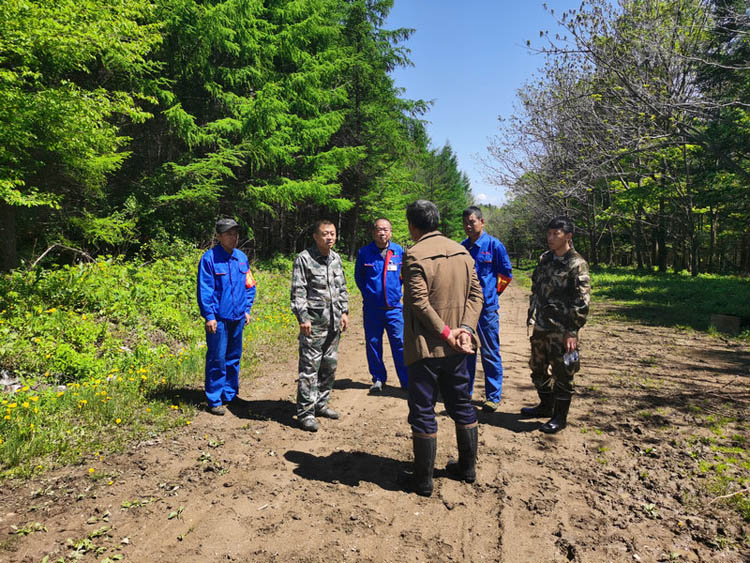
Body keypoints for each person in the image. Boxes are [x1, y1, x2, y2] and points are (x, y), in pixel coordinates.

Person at [400, 200, 484, 497]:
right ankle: (468, 469)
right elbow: (477, 296)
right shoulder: (462, 252)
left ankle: (423, 481)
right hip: (459, 347)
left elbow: (418, 303)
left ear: (412, 225)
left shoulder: (414, 255)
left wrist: (448, 333)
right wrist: (466, 331)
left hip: (426, 348)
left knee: (423, 410)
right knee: (461, 403)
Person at [522, 216, 590, 433]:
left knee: (563, 373)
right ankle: (545, 405)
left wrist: (572, 330)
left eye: (555, 234)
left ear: (568, 236)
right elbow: (537, 288)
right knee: (537, 368)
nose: (550, 238)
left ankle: (559, 418)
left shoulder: (576, 264)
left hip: (562, 330)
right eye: (549, 233)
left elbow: (581, 301)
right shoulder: (546, 259)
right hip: (542, 325)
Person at [290, 219, 349, 432]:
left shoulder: (336, 258)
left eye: (332, 233)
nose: (329, 237)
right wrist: (303, 317)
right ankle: (305, 413)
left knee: (329, 367)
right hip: (313, 324)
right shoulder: (304, 259)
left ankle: (321, 404)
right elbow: (298, 291)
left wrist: (344, 312)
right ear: (316, 237)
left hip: (334, 323)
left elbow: (342, 287)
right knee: (309, 369)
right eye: (325, 234)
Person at [197, 218, 256, 415]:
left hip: (238, 317)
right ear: (219, 236)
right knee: (217, 358)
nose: (233, 237)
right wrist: (209, 316)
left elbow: (250, 285)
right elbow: (205, 289)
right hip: (219, 319)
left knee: (233, 358)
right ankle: (214, 399)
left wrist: (246, 309)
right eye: (229, 234)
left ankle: (229, 395)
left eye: (235, 233)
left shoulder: (241, 258)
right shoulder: (210, 259)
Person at [460, 206, 513, 412]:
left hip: (487, 309)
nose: (468, 226)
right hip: (467, 310)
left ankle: (493, 396)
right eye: (465, 223)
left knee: (490, 352)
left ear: (482, 222)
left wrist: (492, 293)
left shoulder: (494, 245)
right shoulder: (462, 247)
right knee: (467, 351)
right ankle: (466, 393)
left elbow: (506, 274)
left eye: (472, 222)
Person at [354, 218, 408, 393]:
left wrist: (396, 294)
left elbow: (405, 276)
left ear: (390, 232)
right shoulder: (364, 252)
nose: (382, 233)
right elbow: (359, 277)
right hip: (372, 309)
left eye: (386, 229)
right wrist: (369, 294)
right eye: (379, 229)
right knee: (373, 343)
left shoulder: (398, 251)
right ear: (373, 232)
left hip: (394, 309)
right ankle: (378, 378)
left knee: (400, 344)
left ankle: (406, 380)